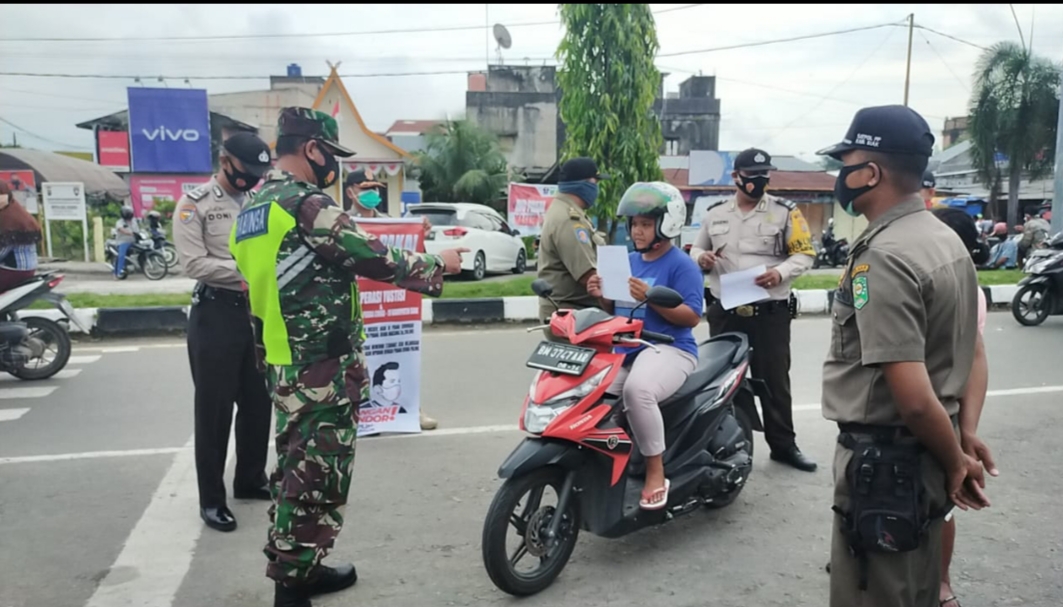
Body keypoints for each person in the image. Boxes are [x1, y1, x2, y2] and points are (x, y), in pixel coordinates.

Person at [227, 107, 466, 607]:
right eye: (330, 155)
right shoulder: (303, 204)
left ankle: (303, 568)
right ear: (311, 148)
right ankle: (291, 589)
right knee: (316, 477)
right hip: (318, 365)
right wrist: (437, 263)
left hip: (279, 359)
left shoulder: (254, 206)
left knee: (294, 467)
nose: (332, 166)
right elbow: (374, 256)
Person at [817, 104, 991, 607]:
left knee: (877, 594)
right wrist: (964, 436)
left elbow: (913, 398)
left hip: (886, 465)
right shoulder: (945, 241)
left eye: (846, 164)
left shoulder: (885, 256)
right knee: (914, 588)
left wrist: (956, 460)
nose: (841, 177)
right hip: (923, 457)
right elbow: (973, 349)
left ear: (870, 172)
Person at [689, 147, 818, 472]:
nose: (758, 182)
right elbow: (696, 247)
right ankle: (724, 444)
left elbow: (805, 254)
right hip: (725, 311)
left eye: (764, 176)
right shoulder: (715, 213)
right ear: (736, 177)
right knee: (722, 381)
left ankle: (784, 446)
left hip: (768, 313)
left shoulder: (786, 212)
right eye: (751, 177)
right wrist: (700, 258)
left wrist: (780, 272)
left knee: (774, 382)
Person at [172, 131, 275, 533]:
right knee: (214, 412)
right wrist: (246, 275)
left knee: (257, 403)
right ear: (225, 161)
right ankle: (211, 499)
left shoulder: (259, 202)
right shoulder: (193, 205)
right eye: (246, 170)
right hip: (216, 314)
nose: (252, 178)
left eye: (258, 172)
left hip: (255, 315)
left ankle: (250, 479)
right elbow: (193, 263)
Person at [586, 182, 703, 510]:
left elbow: (691, 317)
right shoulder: (629, 261)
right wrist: (602, 295)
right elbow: (619, 310)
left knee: (637, 391)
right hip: (629, 348)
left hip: (670, 348)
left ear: (667, 224)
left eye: (646, 224)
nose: (638, 232)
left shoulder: (682, 265)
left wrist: (651, 299)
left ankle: (656, 470)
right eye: (635, 224)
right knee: (590, 392)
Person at [930, 207, 998, 607]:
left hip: (936, 408)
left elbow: (975, 357)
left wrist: (966, 431)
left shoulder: (965, 288)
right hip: (923, 407)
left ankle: (940, 582)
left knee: (943, 504)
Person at [343, 168, 437, 430]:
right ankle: (362, 414)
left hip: (391, 305)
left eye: (375, 189)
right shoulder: (342, 225)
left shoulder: (391, 224)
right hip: (359, 305)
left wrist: (421, 235)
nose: (372, 194)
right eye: (365, 189)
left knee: (400, 353)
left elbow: (408, 258)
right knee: (360, 360)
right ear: (351, 192)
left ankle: (410, 409)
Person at [536, 157, 607, 340]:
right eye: (595, 182)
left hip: (570, 312)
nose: (596, 187)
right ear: (583, 184)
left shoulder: (566, 210)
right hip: (572, 315)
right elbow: (587, 274)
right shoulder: (569, 219)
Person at [0, 181, 41, 292]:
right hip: (27, 269)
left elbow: (2, 251)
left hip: (14, 270)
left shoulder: (9, 219)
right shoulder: (16, 211)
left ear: (7, 196)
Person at [113, 206, 139, 279]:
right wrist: (129, 233)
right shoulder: (119, 222)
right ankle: (118, 272)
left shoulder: (134, 221)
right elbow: (121, 229)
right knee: (121, 255)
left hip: (134, 240)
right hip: (123, 241)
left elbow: (137, 229)